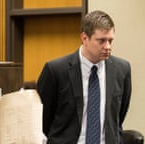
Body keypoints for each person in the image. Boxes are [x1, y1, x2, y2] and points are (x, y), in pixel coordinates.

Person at [37, 10, 131, 144]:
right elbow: (43, 119)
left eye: (110, 40)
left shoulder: (122, 69)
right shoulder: (56, 70)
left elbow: (119, 115)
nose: (108, 47)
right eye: (101, 41)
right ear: (84, 38)